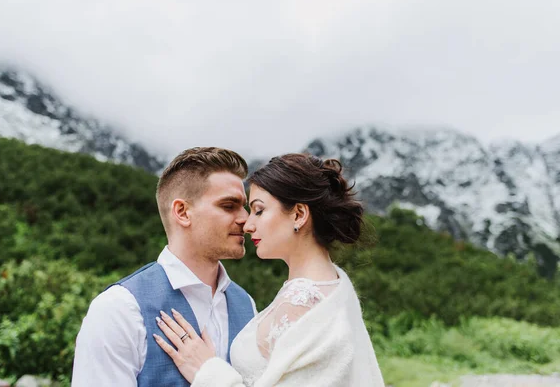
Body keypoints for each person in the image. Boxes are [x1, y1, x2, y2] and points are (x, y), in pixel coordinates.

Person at [154, 153, 385, 387]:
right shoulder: (333, 286)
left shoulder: (302, 304)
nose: (248, 224)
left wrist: (208, 372)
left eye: (259, 210)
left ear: (299, 214)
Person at [72, 147, 257, 387]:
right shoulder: (119, 309)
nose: (246, 219)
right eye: (229, 206)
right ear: (182, 212)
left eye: (245, 207)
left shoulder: (247, 305)